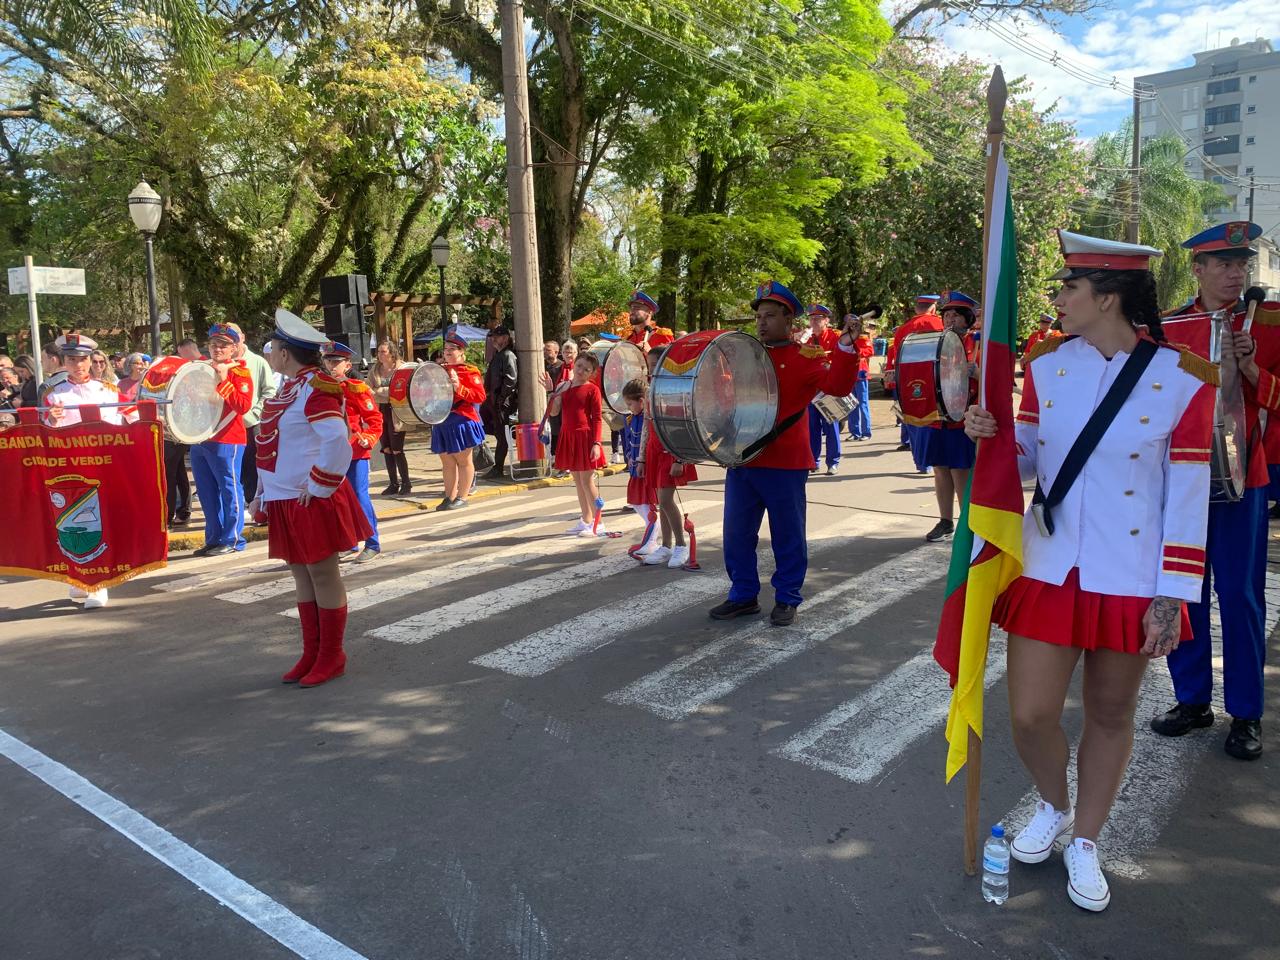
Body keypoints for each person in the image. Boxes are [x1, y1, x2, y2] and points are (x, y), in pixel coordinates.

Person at [965, 231, 1216, 913]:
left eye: (1069, 288)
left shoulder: (1185, 379)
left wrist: (1173, 595)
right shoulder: (1047, 368)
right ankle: (1052, 803)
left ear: (1108, 296)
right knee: (1030, 713)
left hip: (1132, 575)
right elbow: (1025, 457)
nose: (1058, 300)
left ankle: (1087, 841)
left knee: (1110, 713)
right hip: (1051, 564)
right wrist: (989, 434)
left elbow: (1188, 497)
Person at [1153, 220, 1276, 761]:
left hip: (1242, 476)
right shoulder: (1172, 326)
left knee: (1242, 596)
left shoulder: (1269, 323)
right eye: (1223, 264)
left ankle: (1245, 713)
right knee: (1184, 589)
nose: (1235, 272)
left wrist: (1249, 367)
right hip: (1181, 477)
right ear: (1198, 269)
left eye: (1241, 263)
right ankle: (1192, 699)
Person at [709, 281, 861, 626]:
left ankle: (788, 597)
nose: (762, 323)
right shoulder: (744, 355)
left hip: (785, 463)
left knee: (787, 534)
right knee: (736, 533)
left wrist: (847, 347)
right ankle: (743, 594)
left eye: (770, 316)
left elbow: (837, 387)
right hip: (744, 459)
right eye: (759, 316)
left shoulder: (805, 357)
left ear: (789, 320)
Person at [251, 310, 370, 688]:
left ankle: (332, 654)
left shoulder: (317, 387)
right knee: (300, 572)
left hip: (311, 497)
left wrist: (319, 486)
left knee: (322, 572)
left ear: (285, 354)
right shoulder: (287, 389)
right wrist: (262, 496)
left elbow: (337, 441)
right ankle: (312, 651)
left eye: (273, 348)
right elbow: (271, 447)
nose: (269, 353)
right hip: (286, 497)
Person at [41, 334, 136, 609]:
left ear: (91, 361)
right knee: (73, 523)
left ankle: (99, 583)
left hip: (105, 466)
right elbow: (45, 431)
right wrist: (52, 420)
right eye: (72, 360)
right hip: (71, 469)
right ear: (64, 362)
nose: (78, 365)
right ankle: (80, 578)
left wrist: (152, 425)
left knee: (101, 520)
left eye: (82, 360)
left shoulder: (108, 390)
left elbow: (131, 416)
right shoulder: (54, 394)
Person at [914, 291, 980, 543]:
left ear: (967, 319)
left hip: (962, 417)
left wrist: (975, 373)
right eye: (946, 314)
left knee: (960, 470)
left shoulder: (977, 343)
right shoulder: (935, 341)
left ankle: (967, 523)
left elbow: (994, 381)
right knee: (940, 469)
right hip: (937, 414)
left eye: (956, 314)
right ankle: (945, 520)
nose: (950, 318)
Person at [190, 324, 253, 556]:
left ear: (234, 348)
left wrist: (224, 380)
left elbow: (243, 406)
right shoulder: (201, 369)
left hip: (228, 438)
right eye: (214, 344)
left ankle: (233, 538)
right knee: (206, 491)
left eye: (224, 345)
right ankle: (214, 537)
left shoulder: (240, 372)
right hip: (201, 437)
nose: (218, 348)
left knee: (229, 488)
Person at [322, 341, 383, 562]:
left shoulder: (356, 388)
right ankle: (348, 542)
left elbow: (374, 419)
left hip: (355, 452)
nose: (331, 365)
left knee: (359, 497)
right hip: (331, 454)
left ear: (347, 365)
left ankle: (372, 542)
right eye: (328, 361)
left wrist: (367, 438)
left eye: (336, 362)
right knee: (338, 500)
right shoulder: (320, 389)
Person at [632, 378, 698, 567]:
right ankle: (666, 545)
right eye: (651, 365)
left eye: (657, 364)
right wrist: (642, 458)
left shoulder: (676, 389)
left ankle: (681, 545)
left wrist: (679, 458)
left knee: (666, 500)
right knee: (661, 501)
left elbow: (684, 424)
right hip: (654, 450)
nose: (654, 369)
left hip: (671, 449)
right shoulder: (649, 391)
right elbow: (646, 426)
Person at [539, 351, 606, 534]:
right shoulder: (564, 386)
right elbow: (554, 413)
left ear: (592, 373)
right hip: (568, 436)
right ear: (574, 364)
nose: (581, 371)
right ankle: (586, 520)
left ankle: (598, 523)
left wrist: (597, 443)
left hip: (586, 437)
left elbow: (598, 418)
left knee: (587, 481)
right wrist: (552, 393)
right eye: (579, 366)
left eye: (586, 369)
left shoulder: (593, 389)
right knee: (577, 480)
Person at [431, 328, 487, 510]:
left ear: (462, 352)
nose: (448, 351)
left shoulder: (470, 371)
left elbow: (479, 397)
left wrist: (459, 388)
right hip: (442, 419)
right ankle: (449, 496)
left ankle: (462, 496)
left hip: (461, 419)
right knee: (447, 462)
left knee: (463, 461)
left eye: (452, 348)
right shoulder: (438, 370)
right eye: (446, 348)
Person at [885, 294, 941, 454]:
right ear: (933, 307)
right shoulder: (940, 324)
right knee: (935, 418)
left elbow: (897, 357)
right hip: (934, 377)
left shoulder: (903, 329)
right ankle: (932, 458)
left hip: (909, 380)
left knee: (913, 416)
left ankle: (920, 459)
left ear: (917, 308)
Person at [238, 329, 278, 523]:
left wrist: (254, 414)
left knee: (253, 465)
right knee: (237, 469)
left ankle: (256, 503)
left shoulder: (258, 362)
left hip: (252, 423)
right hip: (229, 426)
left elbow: (269, 391)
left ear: (242, 337)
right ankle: (246, 504)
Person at [621, 379, 661, 557]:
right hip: (634, 465)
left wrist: (642, 460)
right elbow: (629, 439)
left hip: (645, 466)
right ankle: (651, 532)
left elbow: (647, 441)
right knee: (636, 502)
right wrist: (629, 457)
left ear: (642, 401)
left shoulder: (649, 417)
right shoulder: (630, 417)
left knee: (646, 503)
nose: (629, 407)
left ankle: (652, 538)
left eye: (630, 403)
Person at [803, 304, 844, 474]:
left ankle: (833, 461)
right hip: (811, 391)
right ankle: (813, 459)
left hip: (828, 389)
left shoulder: (836, 337)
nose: (814, 322)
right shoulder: (806, 337)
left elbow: (842, 357)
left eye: (818, 319)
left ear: (826, 321)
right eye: (812, 319)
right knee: (812, 428)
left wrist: (831, 364)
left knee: (831, 426)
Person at [366, 340, 411, 495]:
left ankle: (406, 483)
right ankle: (393, 483)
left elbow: (401, 389)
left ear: (392, 353)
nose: (379, 354)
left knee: (397, 448)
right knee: (386, 448)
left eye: (383, 351)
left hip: (397, 411)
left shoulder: (402, 368)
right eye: (378, 351)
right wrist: (386, 392)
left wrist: (379, 392)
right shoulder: (375, 369)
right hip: (381, 411)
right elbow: (368, 388)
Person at [481, 325, 518, 479]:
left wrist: (501, 399)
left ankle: (498, 467)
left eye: (496, 336)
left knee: (502, 435)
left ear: (505, 338)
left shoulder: (507, 355)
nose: (493, 339)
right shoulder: (500, 354)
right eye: (493, 337)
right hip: (495, 401)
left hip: (502, 402)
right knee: (496, 432)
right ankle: (497, 466)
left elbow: (511, 379)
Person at [847, 315, 875, 441]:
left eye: (853, 323)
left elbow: (870, 351)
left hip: (860, 372)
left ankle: (866, 432)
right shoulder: (844, 337)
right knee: (851, 404)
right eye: (849, 323)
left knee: (863, 403)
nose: (851, 325)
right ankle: (854, 432)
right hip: (848, 374)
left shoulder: (862, 337)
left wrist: (857, 352)